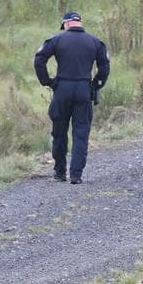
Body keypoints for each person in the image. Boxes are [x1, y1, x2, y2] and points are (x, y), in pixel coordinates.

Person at [34, 12, 110, 184]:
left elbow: (39, 59)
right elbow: (104, 67)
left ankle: (60, 173)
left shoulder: (57, 40)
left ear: (66, 24)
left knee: (59, 132)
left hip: (62, 90)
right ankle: (76, 175)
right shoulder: (95, 42)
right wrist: (96, 85)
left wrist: (47, 81)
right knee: (81, 133)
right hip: (84, 89)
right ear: (80, 24)